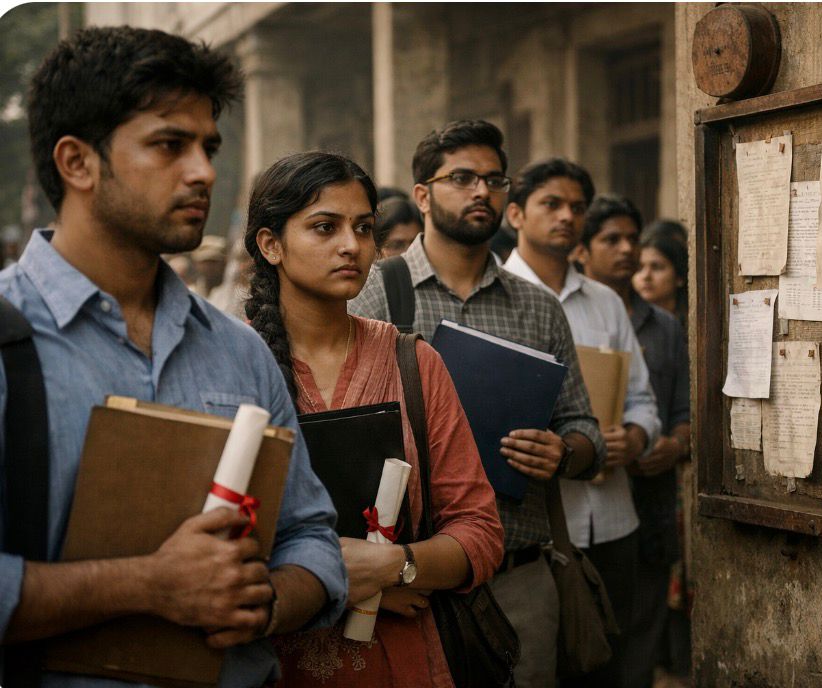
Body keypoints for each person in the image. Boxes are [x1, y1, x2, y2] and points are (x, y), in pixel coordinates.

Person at [0, 26, 346, 687]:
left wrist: (262, 602)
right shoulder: (7, 337)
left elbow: (311, 538)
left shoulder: (240, 351)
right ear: (77, 162)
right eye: (169, 144)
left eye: (209, 147)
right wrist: (148, 585)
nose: (204, 172)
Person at [350, 120, 604, 688]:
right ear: (422, 195)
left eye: (493, 179)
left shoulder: (538, 308)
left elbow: (586, 427)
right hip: (406, 580)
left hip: (519, 577)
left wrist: (564, 451)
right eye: (461, 177)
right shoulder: (374, 292)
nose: (481, 192)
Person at [242, 151, 504, 687]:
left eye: (363, 228)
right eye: (324, 227)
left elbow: (478, 530)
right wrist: (342, 581)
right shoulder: (232, 366)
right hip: (267, 661)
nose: (352, 246)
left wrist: (399, 565)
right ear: (270, 245)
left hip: (400, 663)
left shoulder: (412, 361)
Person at [502, 160, 660, 688]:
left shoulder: (606, 301)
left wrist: (634, 436)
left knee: (608, 666)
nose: (567, 216)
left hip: (614, 519)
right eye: (552, 204)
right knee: (540, 665)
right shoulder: (496, 298)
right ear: (517, 214)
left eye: (577, 207)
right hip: (538, 527)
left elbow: (642, 400)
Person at [579, 197, 691, 688]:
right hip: (585, 508)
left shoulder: (665, 326)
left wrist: (673, 444)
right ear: (582, 250)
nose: (627, 251)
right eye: (612, 240)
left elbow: (686, 410)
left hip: (651, 504)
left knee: (638, 648)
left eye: (633, 240)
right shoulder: (568, 316)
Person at [633, 221, 688, 329]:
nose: (646, 276)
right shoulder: (626, 322)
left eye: (656, 267)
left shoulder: (692, 325)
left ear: (679, 277)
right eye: (639, 268)